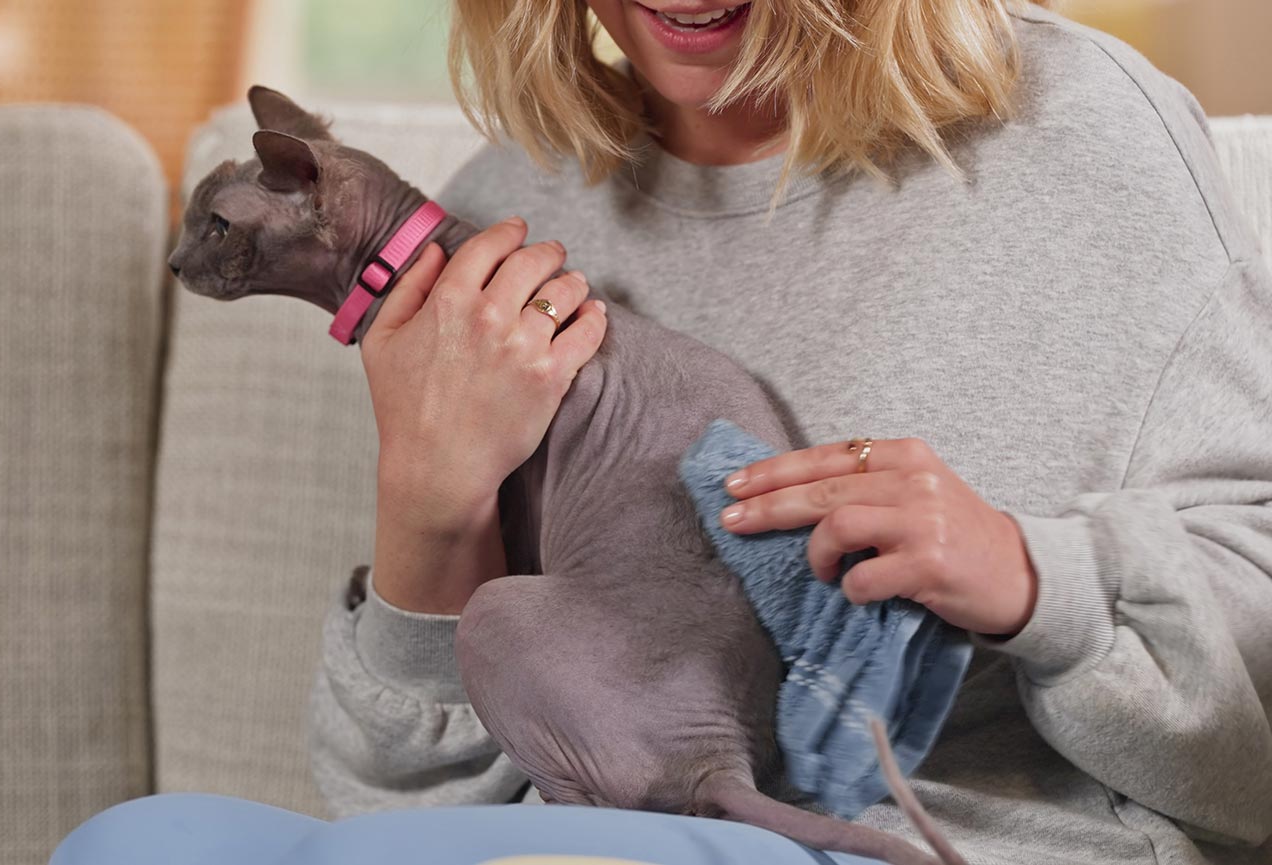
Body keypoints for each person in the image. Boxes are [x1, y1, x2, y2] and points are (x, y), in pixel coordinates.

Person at [306, 1, 1272, 864]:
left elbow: (1249, 760)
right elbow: (388, 820)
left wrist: (1034, 578)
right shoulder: (505, 211)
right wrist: (429, 503)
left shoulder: (1077, 130)